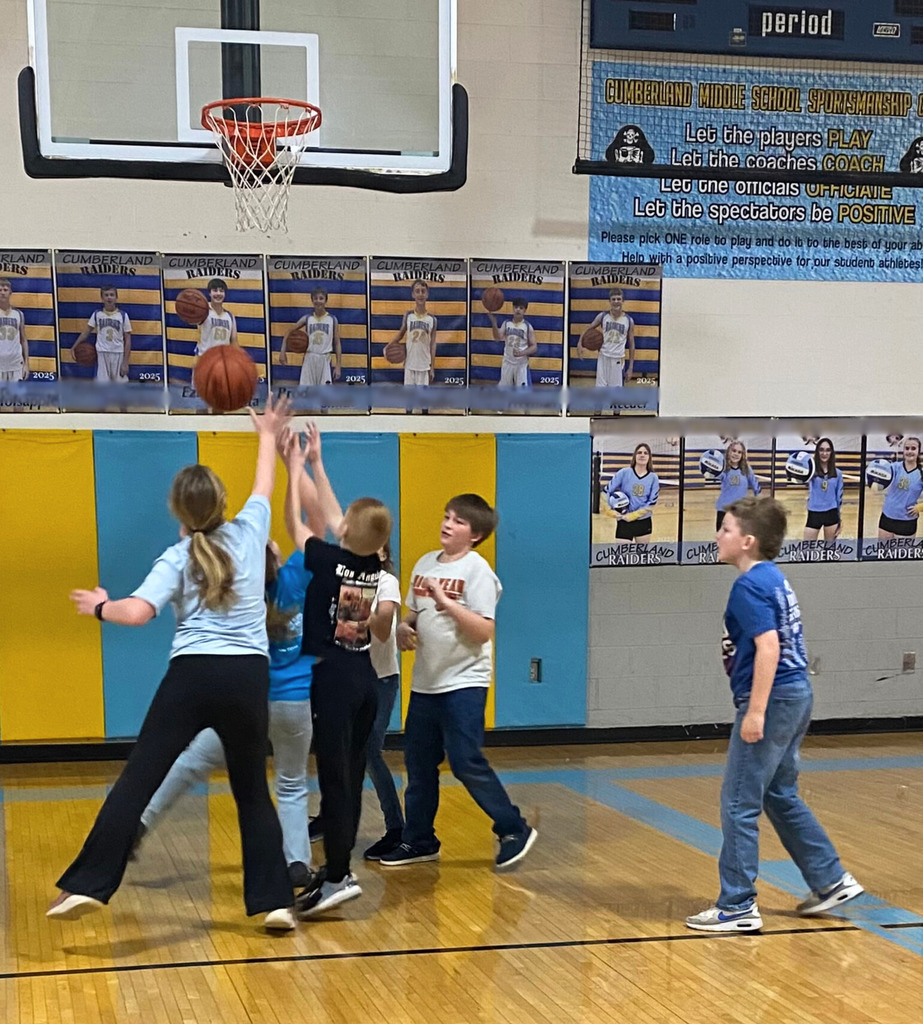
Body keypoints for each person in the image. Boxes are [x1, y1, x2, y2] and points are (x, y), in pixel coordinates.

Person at [47, 395, 297, 932]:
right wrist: (267, 435)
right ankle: (274, 900)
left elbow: (137, 613)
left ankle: (90, 884)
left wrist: (99, 607)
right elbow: (264, 485)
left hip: (192, 675)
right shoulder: (252, 532)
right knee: (252, 789)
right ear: (222, 503)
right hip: (247, 677)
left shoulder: (178, 556)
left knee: (139, 780)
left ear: (177, 512)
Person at [686, 497, 864, 933]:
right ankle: (830, 879)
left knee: (738, 802)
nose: (718, 536)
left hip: (775, 699)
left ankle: (738, 905)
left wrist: (756, 712)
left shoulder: (748, 586)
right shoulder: (772, 578)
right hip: (797, 694)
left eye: (725, 529)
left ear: (747, 541)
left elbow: (769, 647)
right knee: (779, 793)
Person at [134, 513, 324, 890]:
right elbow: (314, 530)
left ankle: (139, 822)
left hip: (249, 703)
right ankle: (297, 862)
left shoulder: (237, 590)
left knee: (190, 763)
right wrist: (303, 465)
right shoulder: (297, 580)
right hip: (295, 703)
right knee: (290, 785)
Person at [380, 494, 537, 871]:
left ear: (476, 535)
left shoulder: (477, 571)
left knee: (465, 761)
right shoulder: (424, 563)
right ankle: (419, 840)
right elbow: (413, 615)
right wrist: (404, 628)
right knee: (418, 765)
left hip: (464, 683)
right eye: (447, 516)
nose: (448, 524)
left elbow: (483, 631)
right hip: (425, 684)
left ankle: (513, 827)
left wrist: (446, 601)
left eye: (459, 521)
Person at [281, 422, 392, 916]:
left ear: (346, 531)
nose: (337, 517)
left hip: (333, 682)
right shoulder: (373, 567)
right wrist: (316, 462)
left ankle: (340, 874)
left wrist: (291, 469)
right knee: (348, 777)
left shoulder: (326, 559)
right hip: (364, 678)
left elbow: (298, 523)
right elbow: (333, 514)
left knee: (336, 783)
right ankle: (337, 871)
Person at [362, 541, 405, 859]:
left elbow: (382, 631)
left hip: (380, 680)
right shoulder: (343, 578)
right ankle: (330, 817)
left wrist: (359, 606)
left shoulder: (386, 582)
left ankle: (396, 828)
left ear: (383, 553)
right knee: (335, 749)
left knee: (369, 751)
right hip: (349, 679)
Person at [280, 287, 342, 385]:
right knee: (306, 394)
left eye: (321, 298)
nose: (318, 301)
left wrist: (338, 365)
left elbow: (337, 343)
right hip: (309, 358)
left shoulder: (333, 319)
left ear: (326, 300)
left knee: (324, 396)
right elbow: (289, 331)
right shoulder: (307, 318)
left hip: (325, 359)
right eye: (315, 298)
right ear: (312, 300)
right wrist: (283, 351)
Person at [72, 286, 131, 383]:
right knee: (102, 386)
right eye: (106, 295)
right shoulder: (97, 314)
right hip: (101, 353)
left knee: (121, 386)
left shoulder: (123, 315)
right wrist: (74, 346)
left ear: (116, 297)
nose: (109, 298)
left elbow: (128, 340)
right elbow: (86, 332)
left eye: (112, 295)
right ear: (102, 298)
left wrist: (125, 362)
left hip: (118, 353)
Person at [577, 288, 635, 387]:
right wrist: (579, 343)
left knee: (615, 394)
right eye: (613, 299)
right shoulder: (603, 316)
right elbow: (588, 328)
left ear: (623, 301)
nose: (616, 302)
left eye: (618, 299)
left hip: (617, 359)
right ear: (609, 301)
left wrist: (630, 368)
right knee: (600, 391)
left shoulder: (629, 320)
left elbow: (632, 345)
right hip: (603, 357)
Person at [605, 442, 660, 543]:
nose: (642, 455)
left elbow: (652, 502)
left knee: (641, 556)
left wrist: (633, 516)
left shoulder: (653, 478)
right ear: (635, 456)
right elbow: (606, 491)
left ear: (649, 457)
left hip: (643, 522)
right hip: (624, 521)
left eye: (645, 453)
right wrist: (610, 511)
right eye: (639, 452)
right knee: (622, 556)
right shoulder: (624, 473)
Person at [390, 279, 437, 386]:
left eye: (423, 291)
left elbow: (433, 344)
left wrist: (432, 367)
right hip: (410, 365)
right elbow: (400, 334)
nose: (420, 294)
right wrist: (388, 346)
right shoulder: (408, 315)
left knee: (422, 401)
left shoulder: (432, 319)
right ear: (413, 294)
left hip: (424, 366)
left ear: (427, 295)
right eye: (417, 291)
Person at [877, 436, 923, 540]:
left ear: (919, 451)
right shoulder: (894, 467)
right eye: (907, 448)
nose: (909, 451)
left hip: (907, 522)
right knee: (883, 554)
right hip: (887, 518)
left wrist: (919, 507)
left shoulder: (921, 473)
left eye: (913, 448)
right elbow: (878, 474)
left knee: (902, 556)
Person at [487, 298, 536, 387]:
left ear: (525, 310)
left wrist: (522, 353)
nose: (518, 310)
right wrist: (494, 324)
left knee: (522, 394)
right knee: (504, 392)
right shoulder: (506, 323)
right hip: (508, 362)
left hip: (521, 364)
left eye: (521, 308)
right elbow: (497, 338)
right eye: (516, 307)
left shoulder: (528, 326)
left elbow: (534, 347)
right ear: (513, 308)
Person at [803, 437, 843, 542]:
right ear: (817, 451)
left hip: (831, 513)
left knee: (829, 552)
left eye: (827, 450)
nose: (824, 453)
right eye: (821, 450)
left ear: (831, 452)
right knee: (807, 550)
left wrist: (840, 520)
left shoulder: (838, 474)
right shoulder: (811, 471)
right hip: (814, 513)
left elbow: (839, 497)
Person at [715, 440, 760, 531]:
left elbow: (756, 487)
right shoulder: (723, 468)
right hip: (724, 509)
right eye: (734, 451)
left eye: (739, 452)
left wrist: (758, 503)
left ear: (743, 455)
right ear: (729, 452)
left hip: (740, 510)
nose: (736, 454)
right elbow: (715, 475)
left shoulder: (746, 469)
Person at [196, 279, 238, 356]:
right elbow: (190, 320)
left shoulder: (230, 316)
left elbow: (234, 342)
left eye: (221, 291)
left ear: (225, 294)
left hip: (222, 361)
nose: (218, 293)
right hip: (204, 360)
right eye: (215, 290)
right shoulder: (202, 312)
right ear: (209, 293)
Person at [0, 278, 28, 382]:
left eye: (5, 290)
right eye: (0, 290)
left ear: (10, 292)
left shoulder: (19, 314)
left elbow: (24, 340)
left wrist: (26, 364)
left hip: (15, 364)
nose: (2, 293)